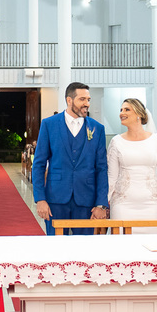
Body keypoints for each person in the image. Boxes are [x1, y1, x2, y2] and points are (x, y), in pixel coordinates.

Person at [32, 82, 109, 235]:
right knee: (56, 249)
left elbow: (102, 168)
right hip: (56, 198)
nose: (86, 104)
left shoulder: (97, 128)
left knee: (84, 250)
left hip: (86, 199)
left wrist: (101, 204)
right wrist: (40, 199)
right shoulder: (49, 124)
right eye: (82, 99)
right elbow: (39, 164)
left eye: (88, 99)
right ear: (69, 100)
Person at [107, 98, 157, 234]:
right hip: (123, 203)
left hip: (152, 203)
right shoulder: (116, 142)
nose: (122, 113)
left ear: (139, 114)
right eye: (121, 110)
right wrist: (105, 202)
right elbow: (111, 177)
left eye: (127, 109)